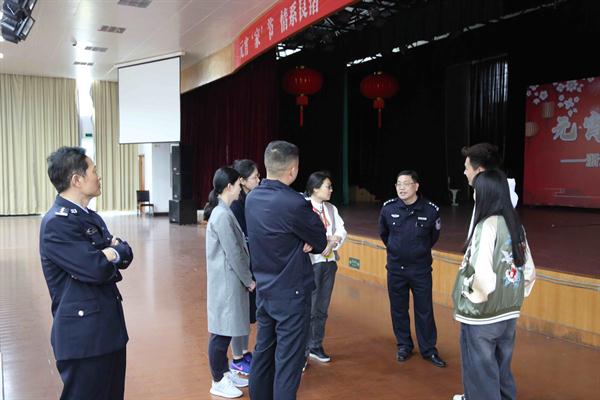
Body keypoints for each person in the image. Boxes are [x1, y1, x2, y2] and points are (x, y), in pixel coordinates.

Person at [39, 146, 133, 400]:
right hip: (84, 338)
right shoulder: (56, 224)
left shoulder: (90, 217)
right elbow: (97, 269)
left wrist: (111, 253)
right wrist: (108, 254)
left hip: (108, 329)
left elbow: (125, 252)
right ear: (77, 180)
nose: (98, 176)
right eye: (94, 171)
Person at [246, 140, 327, 400]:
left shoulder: (252, 198)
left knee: (263, 353)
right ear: (293, 170)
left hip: (265, 289)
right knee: (289, 362)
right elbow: (320, 240)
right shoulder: (294, 203)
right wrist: (303, 240)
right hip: (291, 294)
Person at [452, 169, 536, 400]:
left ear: (486, 194)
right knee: (502, 365)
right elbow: (529, 271)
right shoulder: (515, 225)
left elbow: (482, 274)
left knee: (480, 369)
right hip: (509, 312)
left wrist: (472, 296)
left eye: (476, 191)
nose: (474, 195)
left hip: (483, 313)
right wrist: (513, 296)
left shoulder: (486, 225)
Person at [378, 170, 447, 368]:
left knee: (424, 310)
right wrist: (397, 249)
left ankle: (428, 349)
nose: (401, 188)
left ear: (416, 186)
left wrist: (417, 251)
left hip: (420, 269)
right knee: (398, 309)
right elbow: (384, 234)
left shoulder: (430, 210)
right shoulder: (388, 208)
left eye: (406, 183)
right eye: (398, 184)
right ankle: (404, 345)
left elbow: (433, 237)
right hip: (396, 269)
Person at [204, 166, 256, 399]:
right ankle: (217, 380)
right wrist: (249, 280)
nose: (240, 188)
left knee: (225, 330)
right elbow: (234, 252)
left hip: (228, 282)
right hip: (227, 283)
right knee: (221, 334)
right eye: (238, 185)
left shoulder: (223, 211)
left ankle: (225, 374)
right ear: (229, 187)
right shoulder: (222, 215)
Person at [304, 171, 347, 364]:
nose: (331, 190)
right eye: (327, 186)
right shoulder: (303, 207)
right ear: (315, 188)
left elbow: (341, 229)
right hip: (310, 263)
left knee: (321, 307)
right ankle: (302, 350)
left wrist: (333, 241)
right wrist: (323, 242)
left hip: (329, 263)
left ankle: (316, 345)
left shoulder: (331, 208)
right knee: (308, 308)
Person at [228, 159, 261, 375]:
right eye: (255, 177)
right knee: (238, 315)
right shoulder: (236, 207)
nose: (259, 180)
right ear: (242, 180)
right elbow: (238, 245)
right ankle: (237, 358)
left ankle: (243, 352)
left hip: (252, 265)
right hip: (241, 269)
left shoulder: (252, 200)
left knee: (248, 314)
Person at [462, 143, 518, 236]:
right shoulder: (492, 194)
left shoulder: (495, 203)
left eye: (466, 168)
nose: (464, 172)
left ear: (479, 171)